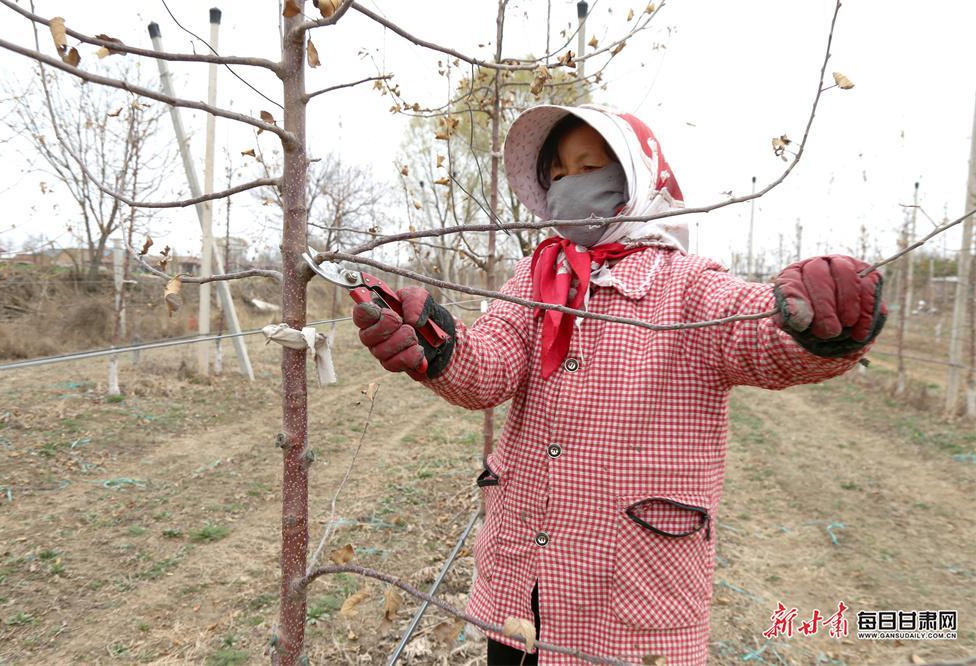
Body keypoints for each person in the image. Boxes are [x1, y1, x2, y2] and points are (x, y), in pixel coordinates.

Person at [351, 104, 886, 665]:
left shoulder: (688, 286)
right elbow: (490, 368)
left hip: (632, 607)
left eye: (587, 168)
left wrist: (821, 328)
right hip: (521, 592)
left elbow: (756, 334)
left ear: (636, 176)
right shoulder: (537, 278)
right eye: (556, 175)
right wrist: (437, 346)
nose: (567, 186)